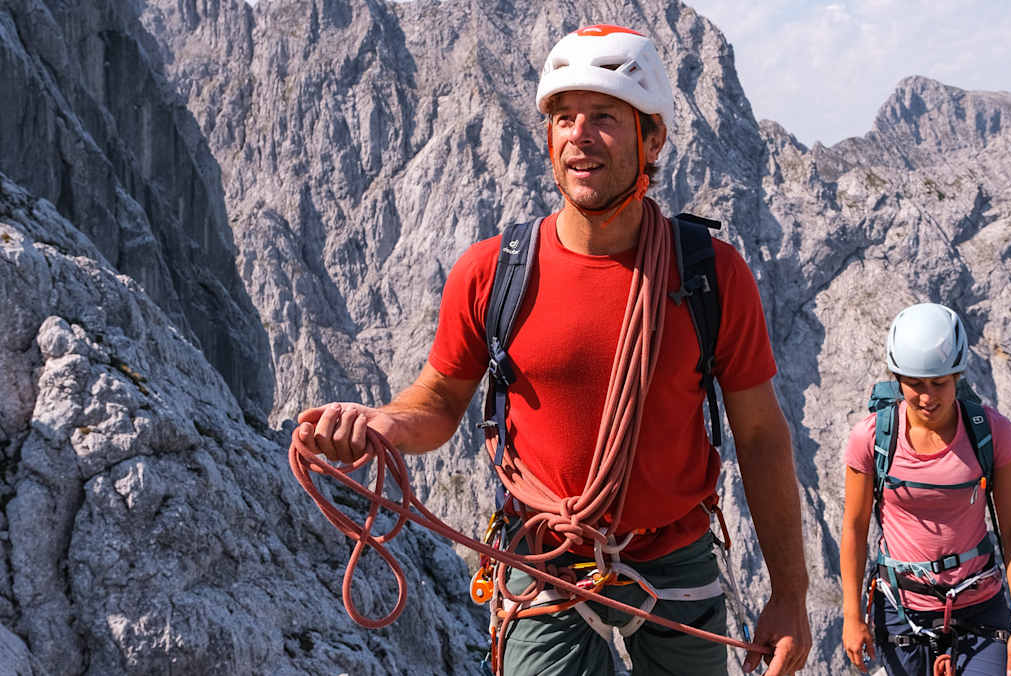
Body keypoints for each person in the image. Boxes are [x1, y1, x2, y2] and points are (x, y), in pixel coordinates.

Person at [295, 24, 812, 676]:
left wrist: (790, 595)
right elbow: (439, 400)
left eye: (603, 116)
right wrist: (381, 426)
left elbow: (762, 435)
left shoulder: (708, 273)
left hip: (674, 555)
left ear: (651, 139)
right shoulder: (492, 272)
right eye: (563, 118)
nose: (578, 135)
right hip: (542, 558)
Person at [839, 303, 1011, 675]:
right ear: (897, 379)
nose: (927, 397)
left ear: (958, 376)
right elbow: (854, 526)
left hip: (979, 606)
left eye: (939, 383)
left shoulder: (993, 433)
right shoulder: (872, 439)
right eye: (914, 385)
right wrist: (852, 616)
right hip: (901, 610)